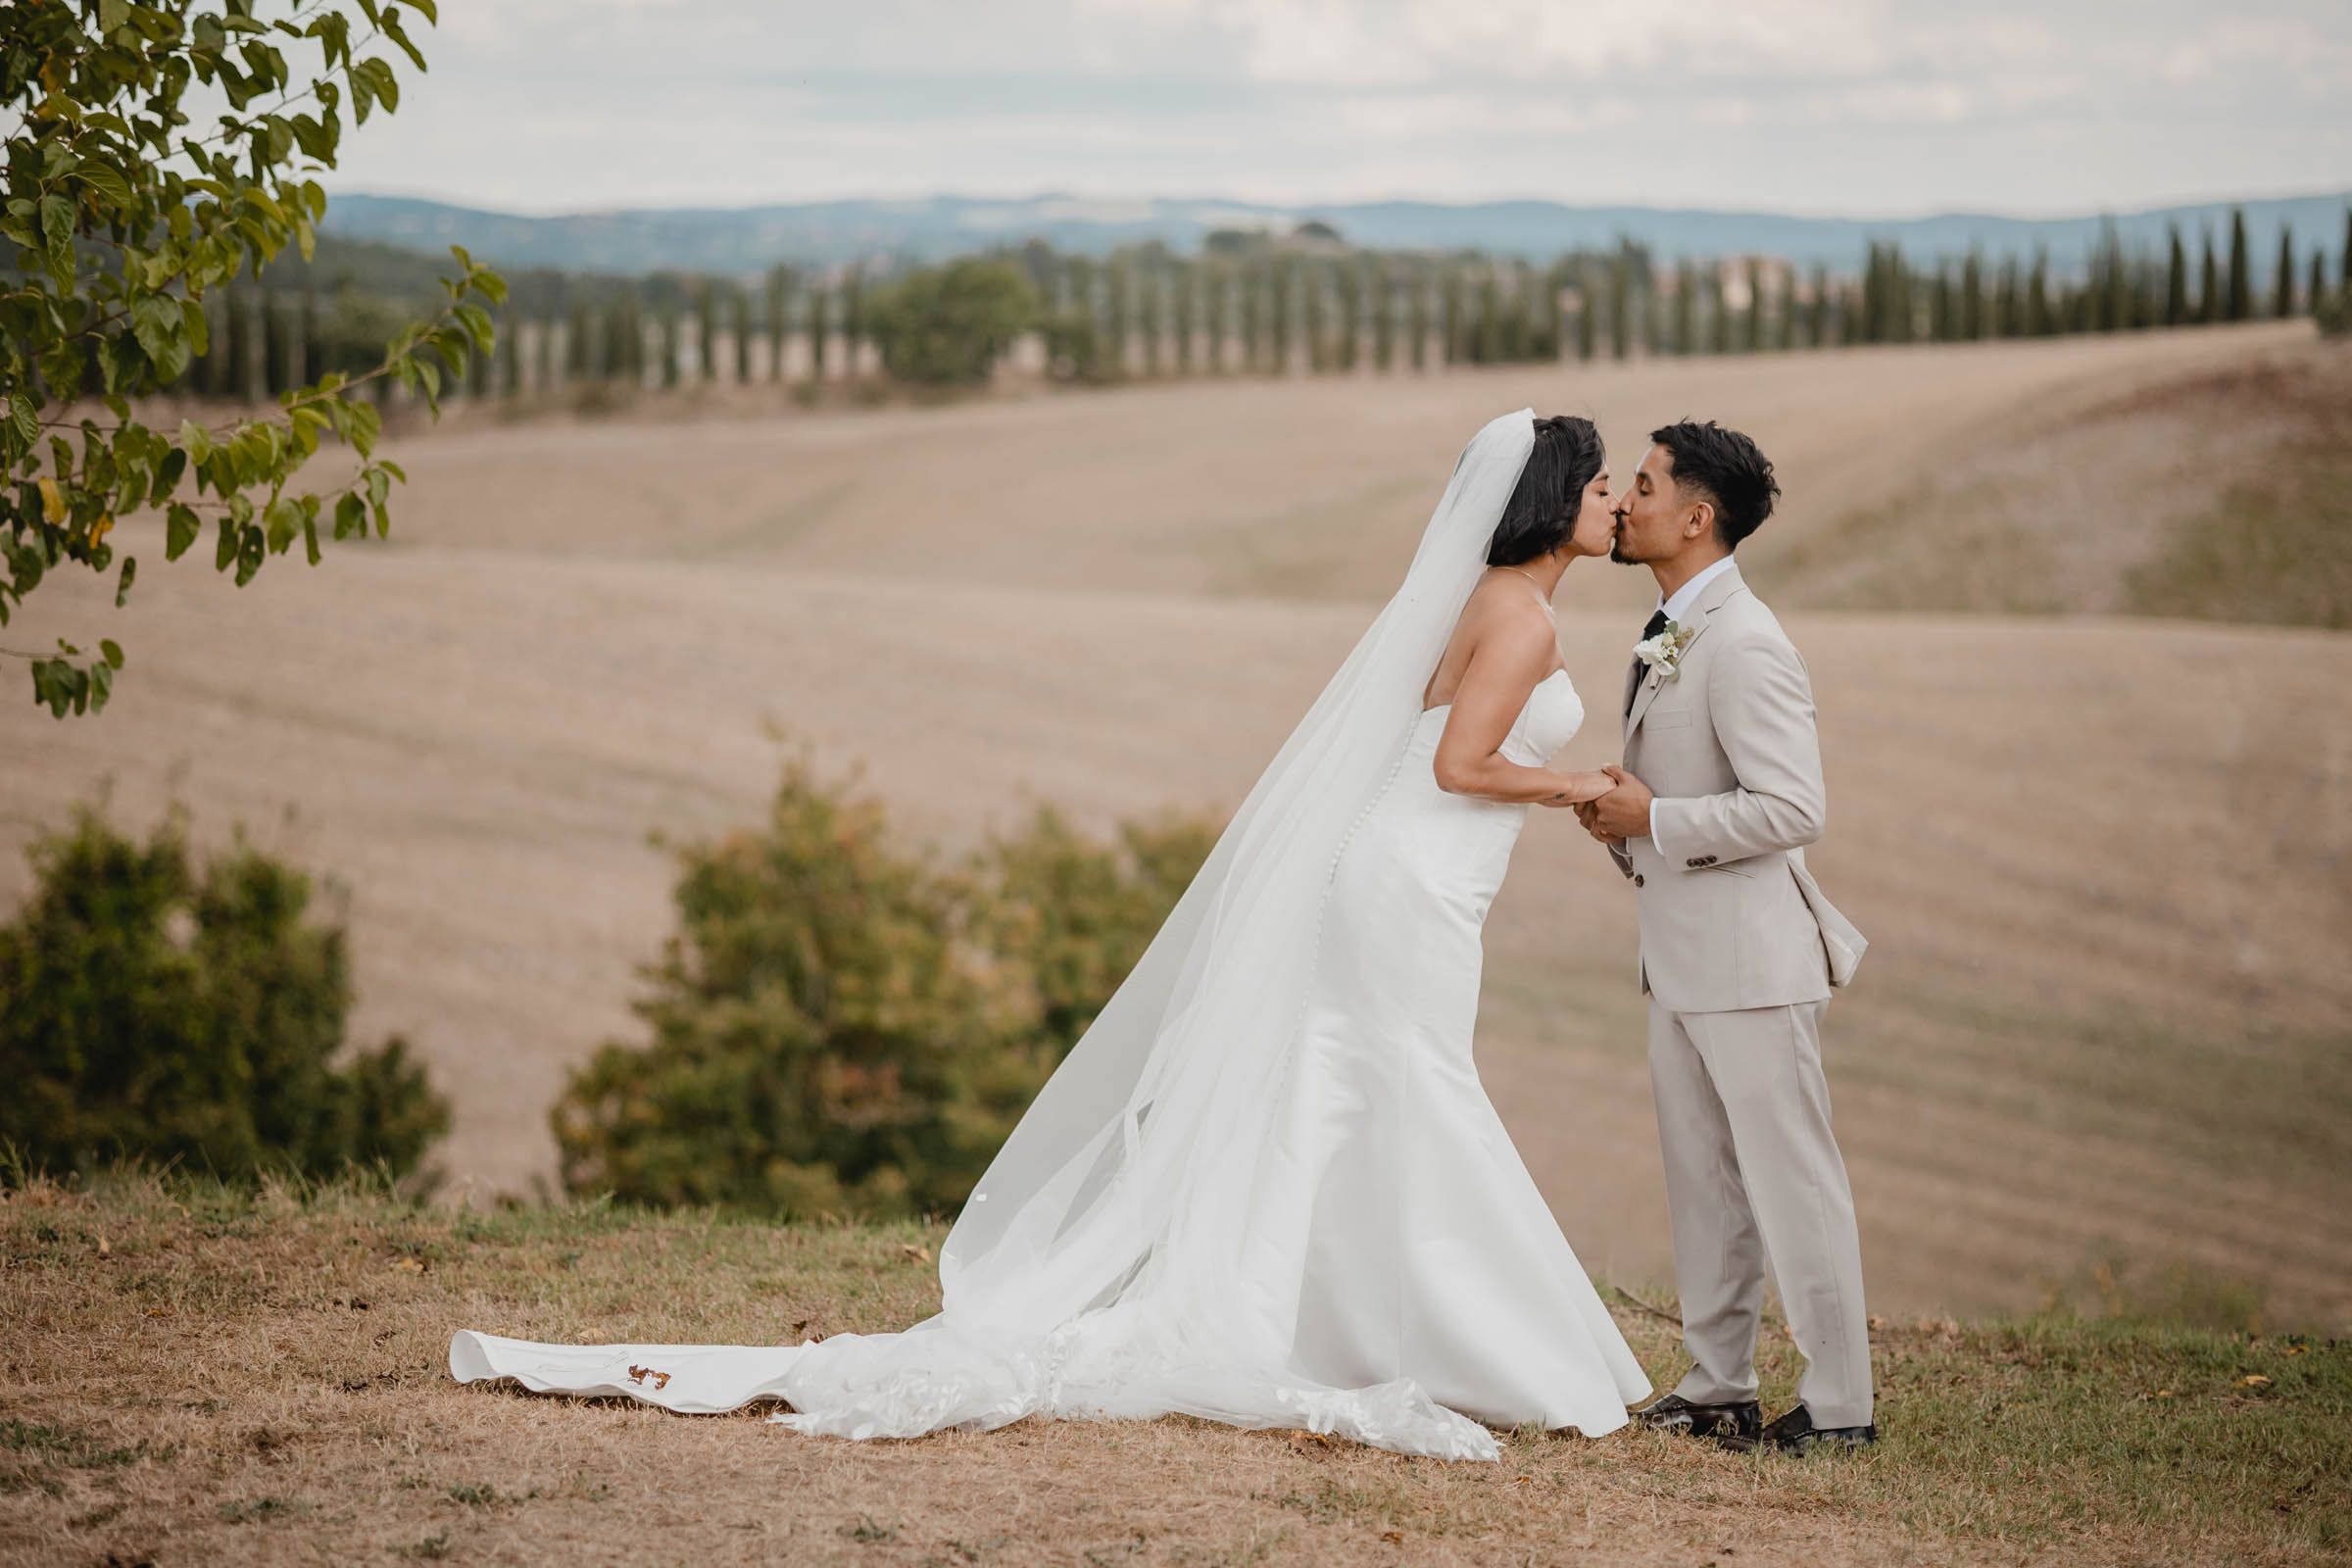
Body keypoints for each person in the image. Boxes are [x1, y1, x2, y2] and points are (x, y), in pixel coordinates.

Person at [451, 410, 1651, 1460]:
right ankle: (1505, 1354)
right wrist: (1580, 785)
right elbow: (1460, 763)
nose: (1609, 505)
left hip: (1396, 874)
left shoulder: (1481, 600)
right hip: (1412, 877)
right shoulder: (1525, 622)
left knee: (1355, 1087)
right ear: (1553, 499)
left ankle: (1329, 1316)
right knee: (1412, 1081)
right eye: (1599, 486)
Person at [1576, 419, 1877, 1453]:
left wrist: (1653, 820)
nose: (1626, 502)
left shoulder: (1746, 641)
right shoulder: (1673, 626)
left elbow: (1794, 807)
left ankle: (1842, 1407)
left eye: (1647, 486)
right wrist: (1629, 820)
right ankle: (1718, 1385)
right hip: (1680, 960)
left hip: (1752, 964)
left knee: (1793, 1184)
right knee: (1703, 1180)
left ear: (1698, 518)